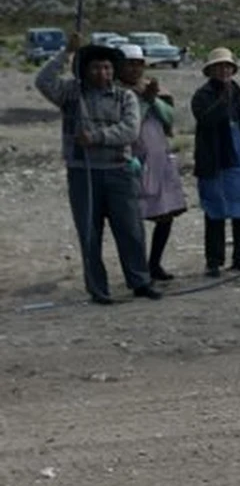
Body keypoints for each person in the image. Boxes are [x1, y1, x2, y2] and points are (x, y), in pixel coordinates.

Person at [35, 32, 161, 303]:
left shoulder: (125, 97)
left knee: (131, 229)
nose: (102, 72)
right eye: (95, 67)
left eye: (106, 67)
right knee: (89, 233)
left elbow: (129, 131)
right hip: (83, 172)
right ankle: (98, 288)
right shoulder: (71, 93)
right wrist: (66, 53)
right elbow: (42, 81)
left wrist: (96, 137)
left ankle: (140, 281)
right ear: (85, 70)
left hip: (119, 170)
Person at [117, 44, 187, 280]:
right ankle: (136, 269)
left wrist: (153, 99)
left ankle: (154, 263)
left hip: (159, 157)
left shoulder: (151, 88)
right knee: (133, 218)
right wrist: (145, 101)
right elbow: (129, 123)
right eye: (130, 64)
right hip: (133, 159)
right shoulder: (116, 92)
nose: (135, 69)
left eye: (139, 64)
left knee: (165, 213)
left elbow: (169, 117)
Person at [191, 47, 240, 278]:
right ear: (210, 70)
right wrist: (224, 101)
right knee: (215, 211)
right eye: (219, 67)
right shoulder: (202, 96)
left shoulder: (239, 91)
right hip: (216, 160)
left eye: (227, 66)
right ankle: (214, 260)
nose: (224, 70)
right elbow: (207, 119)